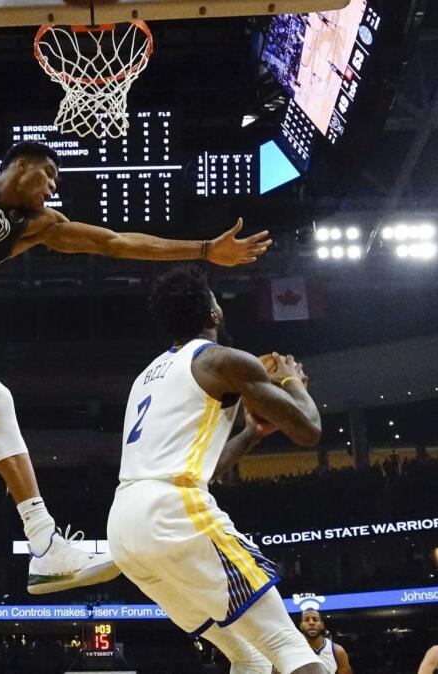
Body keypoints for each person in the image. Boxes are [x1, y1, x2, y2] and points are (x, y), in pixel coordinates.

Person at [0, 45, 271, 595]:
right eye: (47, 172)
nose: (52, 185)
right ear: (18, 165)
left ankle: (46, 544)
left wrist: (202, 249)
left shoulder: (38, 226)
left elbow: (118, 244)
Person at [106, 265, 325, 674]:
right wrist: (294, 381)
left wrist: (251, 435)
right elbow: (309, 430)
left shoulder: (146, 377)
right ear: (213, 314)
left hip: (124, 527)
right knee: (286, 643)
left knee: (249, 655)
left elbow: (203, 469)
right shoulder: (222, 360)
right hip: (172, 512)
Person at [299, 609, 352, 673]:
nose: (311, 623)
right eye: (307, 620)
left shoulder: (337, 651)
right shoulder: (295, 651)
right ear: (301, 626)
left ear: (322, 625)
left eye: (315, 619)